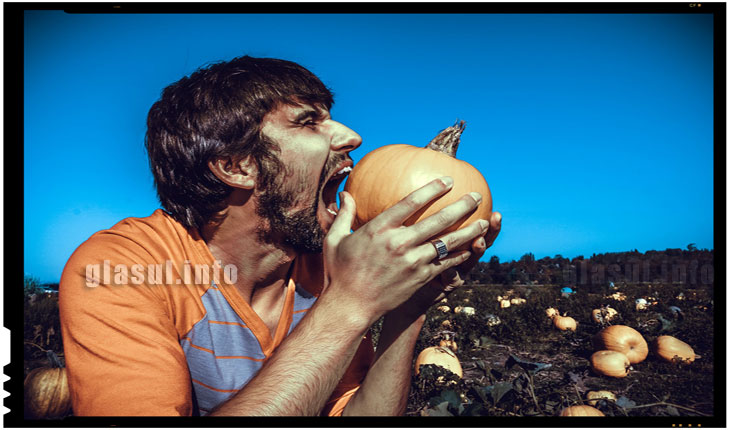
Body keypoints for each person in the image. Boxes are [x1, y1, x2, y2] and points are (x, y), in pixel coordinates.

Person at [59, 55, 502, 416]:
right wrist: (350, 304)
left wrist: (409, 306)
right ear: (236, 166)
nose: (352, 136)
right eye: (309, 122)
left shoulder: (327, 268)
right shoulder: (125, 268)